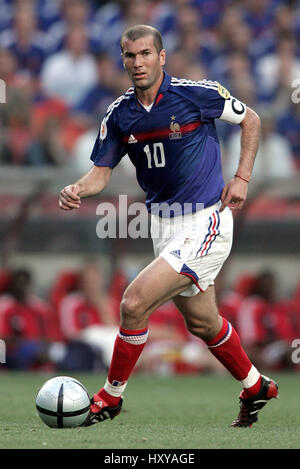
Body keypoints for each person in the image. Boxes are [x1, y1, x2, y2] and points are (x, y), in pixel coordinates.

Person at [59, 24, 278, 428]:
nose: (137, 62)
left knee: (133, 302)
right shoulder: (120, 113)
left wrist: (243, 177)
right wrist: (77, 189)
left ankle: (110, 397)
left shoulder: (196, 93)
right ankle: (254, 385)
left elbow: (252, 120)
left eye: (145, 54)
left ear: (162, 57)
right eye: (129, 55)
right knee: (202, 323)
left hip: (207, 219)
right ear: (122, 60)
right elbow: (100, 174)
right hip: (162, 228)